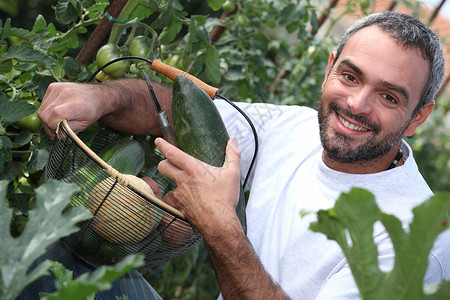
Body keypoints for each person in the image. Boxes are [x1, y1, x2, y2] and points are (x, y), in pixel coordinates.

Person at [25, 11, 449, 299]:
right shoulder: (294, 131)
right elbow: (182, 110)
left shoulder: (417, 240)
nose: (356, 104)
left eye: (389, 96)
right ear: (329, 69)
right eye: (350, 76)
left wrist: (217, 221)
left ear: (418, 117)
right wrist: (103, 98)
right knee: (39, 252)